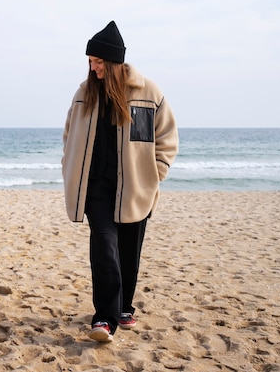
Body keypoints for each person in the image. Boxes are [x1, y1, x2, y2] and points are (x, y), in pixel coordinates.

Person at [61, 21, 178, 343]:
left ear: (114, 63)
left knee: (129, 250)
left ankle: (125, 306)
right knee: (104, 249)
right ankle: (104, 318)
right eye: (90, 62)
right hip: (96, 187)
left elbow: (166, 137)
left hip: (136, 187)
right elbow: (69, 134)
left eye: (98, 62)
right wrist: (67, 165)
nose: (93, 68)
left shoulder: (148, 93)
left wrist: (156, 173)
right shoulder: (85, 93)